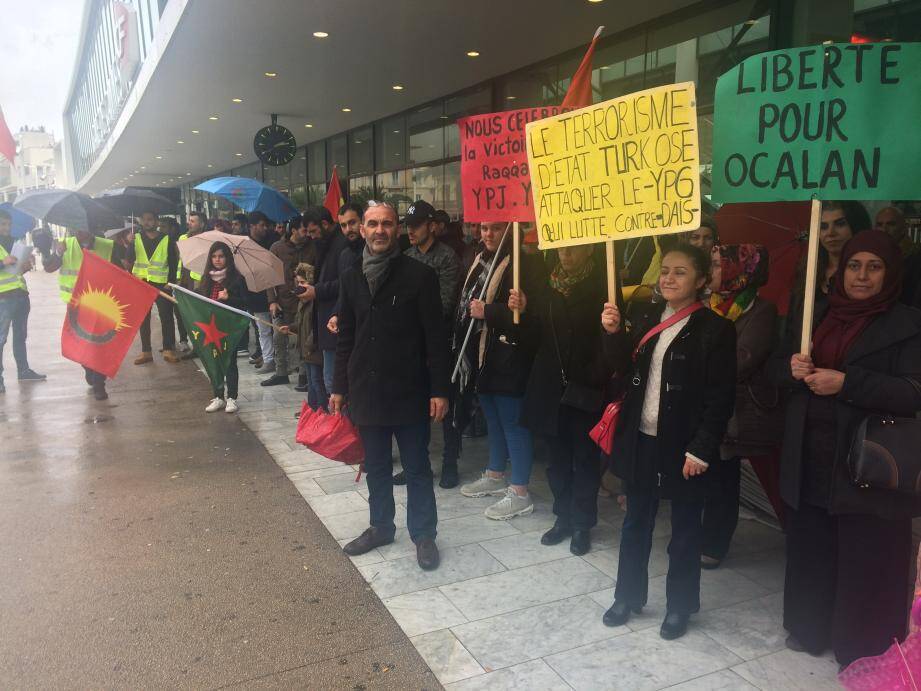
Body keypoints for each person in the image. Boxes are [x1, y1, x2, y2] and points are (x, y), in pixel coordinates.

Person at [773, 230, 921, 667]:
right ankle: (809, 625)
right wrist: (791, 368)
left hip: (869, 458)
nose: (861, 276)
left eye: (874, 267)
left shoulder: (908, 324)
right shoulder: (817, 313)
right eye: (855, 265)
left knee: (867, 552)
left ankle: (862, 643)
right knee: (811, 542)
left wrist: (848, 383)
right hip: (812, 452)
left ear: (890, 274)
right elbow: (774, 373)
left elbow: (913, 391)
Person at [600, 243, 736, 641]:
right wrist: (612, 334)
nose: (669, 278)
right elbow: (621, 367)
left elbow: (720, 397)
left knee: (685, 531)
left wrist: (702, 448)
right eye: (665, 271)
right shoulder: (645, 315)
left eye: (680, 272)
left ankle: (680, 606)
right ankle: (627, 597)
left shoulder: (716, 330)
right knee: (635, 522)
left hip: (684, 446)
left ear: (700, 280)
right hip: (641, 438)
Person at [330, 202, 449, 571]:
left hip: (409, 389)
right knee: (377, 465)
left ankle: (424, 534)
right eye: (372, 224)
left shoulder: (419, 276)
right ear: (362, 230)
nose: (379, 230)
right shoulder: (351, 276)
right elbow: (346, 335)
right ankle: (381, 526)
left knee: (416, 467)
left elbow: (436, 338)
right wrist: (339, 387)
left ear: (397, 229)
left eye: (387, 224)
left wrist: (440, 389)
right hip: (366, 389)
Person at [513, 243, 608, 551]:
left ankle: (582, 523)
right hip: (550, 387)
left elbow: (609, 343)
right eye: (562, 250)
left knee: (585, 459)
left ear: (590, 250)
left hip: (585, 386)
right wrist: (523, 312)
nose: (566, 256)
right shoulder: (547, 284)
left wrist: (596, 370)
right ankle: (562, 517)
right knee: (557, 461)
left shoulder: (603, 286)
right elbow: (533, 338)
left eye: (573, 250)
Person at [456, 223, 542, 517]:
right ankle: (495, 474)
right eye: (484, 228)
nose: (488, 234)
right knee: (492, 415)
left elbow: (532, 318)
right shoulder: (480, 259)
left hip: (511, 357)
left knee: (512, 422)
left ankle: (520, 490)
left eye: (495, 228)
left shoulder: (525, 263)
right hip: (484, 353)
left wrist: (490, 311)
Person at [700, 244, 778, 569]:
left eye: (719, 265)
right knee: (699, 472)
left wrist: (697, 361)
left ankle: (715, 543)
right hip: (700, 404)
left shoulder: (761, 311)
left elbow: (743, 360)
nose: (713, 270)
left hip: (733, 408)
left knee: (722, 475)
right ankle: (696, 532)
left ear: (738, 270)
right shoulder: (706, 304)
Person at [41, 227, 115, 399]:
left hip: (100, 304)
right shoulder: (65, 245)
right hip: (75, 305)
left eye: (81, 228)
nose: (77, 232)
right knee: (81, 343)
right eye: (74, 228)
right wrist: (58, 253)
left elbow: (122, 270)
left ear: (90, 227)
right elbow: (49, 268)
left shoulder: (107, 245)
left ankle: (99, 384)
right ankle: (88, 368)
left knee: (98, 344)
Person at [789, 201, 870, 328]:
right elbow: (792, 328)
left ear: (856, 226)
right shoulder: (807, 272)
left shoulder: (866, 276)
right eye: (823, 226)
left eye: (840, 224)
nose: (830, 233)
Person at [312, 202, 363, 397]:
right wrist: (336, 313)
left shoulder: (368, 253)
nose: (348, 229)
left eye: (352, 223)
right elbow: (344, 291)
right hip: (342, 330)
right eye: (343, 225)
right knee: (334, 384)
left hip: (364, 332)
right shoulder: (344, 254)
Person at [264, 212, 318, 387]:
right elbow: (269, 277)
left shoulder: (313, 247)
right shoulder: (277, 248)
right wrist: (272, 300)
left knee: (303, 339)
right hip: (283, 302)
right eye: (304, 230)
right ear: (293, 230)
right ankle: (281, 372)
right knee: (279, 337)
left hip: (306, 302)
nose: (307, 233)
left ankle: (304, 375)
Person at [0, 209, 45, 394]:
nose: (7, 228)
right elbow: (5, 267)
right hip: (3, 300)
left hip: (20, 296)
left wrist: (24, 266)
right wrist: (3, 263)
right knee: (0, 340)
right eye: (3, 224)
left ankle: (23, 370)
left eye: (8, 224)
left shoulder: (13, 244)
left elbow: (15, 272)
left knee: (20, 337)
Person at [199, 241, 246, 413]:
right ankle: (218, 396)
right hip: (210, 328)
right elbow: (199, 300)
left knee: (230, 362)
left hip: (228, 328)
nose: (217, 260)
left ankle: (232, 397)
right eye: (214, 256)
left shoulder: (237, 279)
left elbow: (243, 303)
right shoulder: (206, 279)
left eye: (221, 256)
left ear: (228, 258)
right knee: (214, 362)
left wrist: (229, 298)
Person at [129, 211, 180, 365]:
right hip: (141, 283)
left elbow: (173, 262)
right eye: (144, 219)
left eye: (150, 219)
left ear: (156, 222)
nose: (147, 222)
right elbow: (129, 260)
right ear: (139, 221)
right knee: (143, 319)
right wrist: (130, 244)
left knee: (167, 317)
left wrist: (170, 282)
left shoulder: (166, 239)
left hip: (161, 283)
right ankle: (146, 351)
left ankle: (168, 349)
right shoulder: (135, 238)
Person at [403, 200, 460, 320]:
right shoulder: (406, 256)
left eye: (416, 225)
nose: (410, 231)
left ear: (432, 226)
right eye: (408, 225)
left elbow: (446, 304)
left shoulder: (447, 258)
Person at [279, 263, 325, 408]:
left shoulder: (316, 302)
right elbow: (300, 322)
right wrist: (291, 327)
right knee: (311, 381)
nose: (300, 285)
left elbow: (317, 326)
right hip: (306, 350)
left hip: (314, 349)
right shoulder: (302, 302)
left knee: (317, 381)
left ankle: (322, 410)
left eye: (303, 282)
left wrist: (309, 345)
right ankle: (312, 409)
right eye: (298, 282)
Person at [246, 211, 276, 372]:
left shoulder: (271, 242)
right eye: (261, 225)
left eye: (266, 225)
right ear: (252, 226)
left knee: (273, 329)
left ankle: (271, 358)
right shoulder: (243, 245)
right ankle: (267, 357)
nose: (265, 228)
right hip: (253, 293)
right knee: (261, 328)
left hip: (272, 291)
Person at [173, 211, 207, 354]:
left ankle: (198, 345)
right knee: (180, 311)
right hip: (182, 280)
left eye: (193, 221)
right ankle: (184, 340)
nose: (189, 223)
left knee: (196, 314)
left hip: (197, 281)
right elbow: (178, 258)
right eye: (189, 220)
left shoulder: (206, 239)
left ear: (202, 224)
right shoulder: (183, 237)